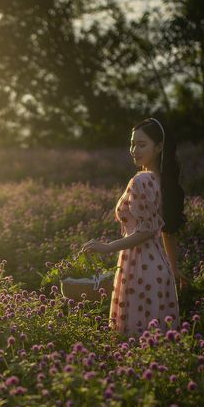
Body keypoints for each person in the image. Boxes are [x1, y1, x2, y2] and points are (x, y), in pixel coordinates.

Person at [81, 118, 191, 337]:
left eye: (142, 145)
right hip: (159, 270)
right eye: (132, 144)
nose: (134, 150)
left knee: (133, 339)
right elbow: (167, 231)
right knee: (155, 343)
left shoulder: (142, 181)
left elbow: (147, 230)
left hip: (140, 268)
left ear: (159, 147)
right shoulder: (162, 181)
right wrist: (174, 269)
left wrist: (107, 247)